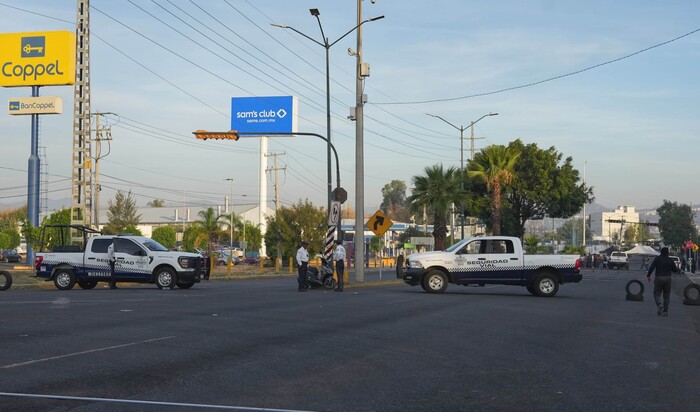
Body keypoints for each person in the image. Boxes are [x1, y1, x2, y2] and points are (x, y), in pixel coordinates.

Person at [646, 247, 679, 316]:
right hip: (668, 278)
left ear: (661, 252)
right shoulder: (670, 260)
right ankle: (665, 311)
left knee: (656, 293)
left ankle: (659, 304)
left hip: (659, 278)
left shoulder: (657, 259)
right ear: (667, 252)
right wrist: (678, 269)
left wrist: (648, 276)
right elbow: (675, 270)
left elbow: (652, 267)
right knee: (666, 295)